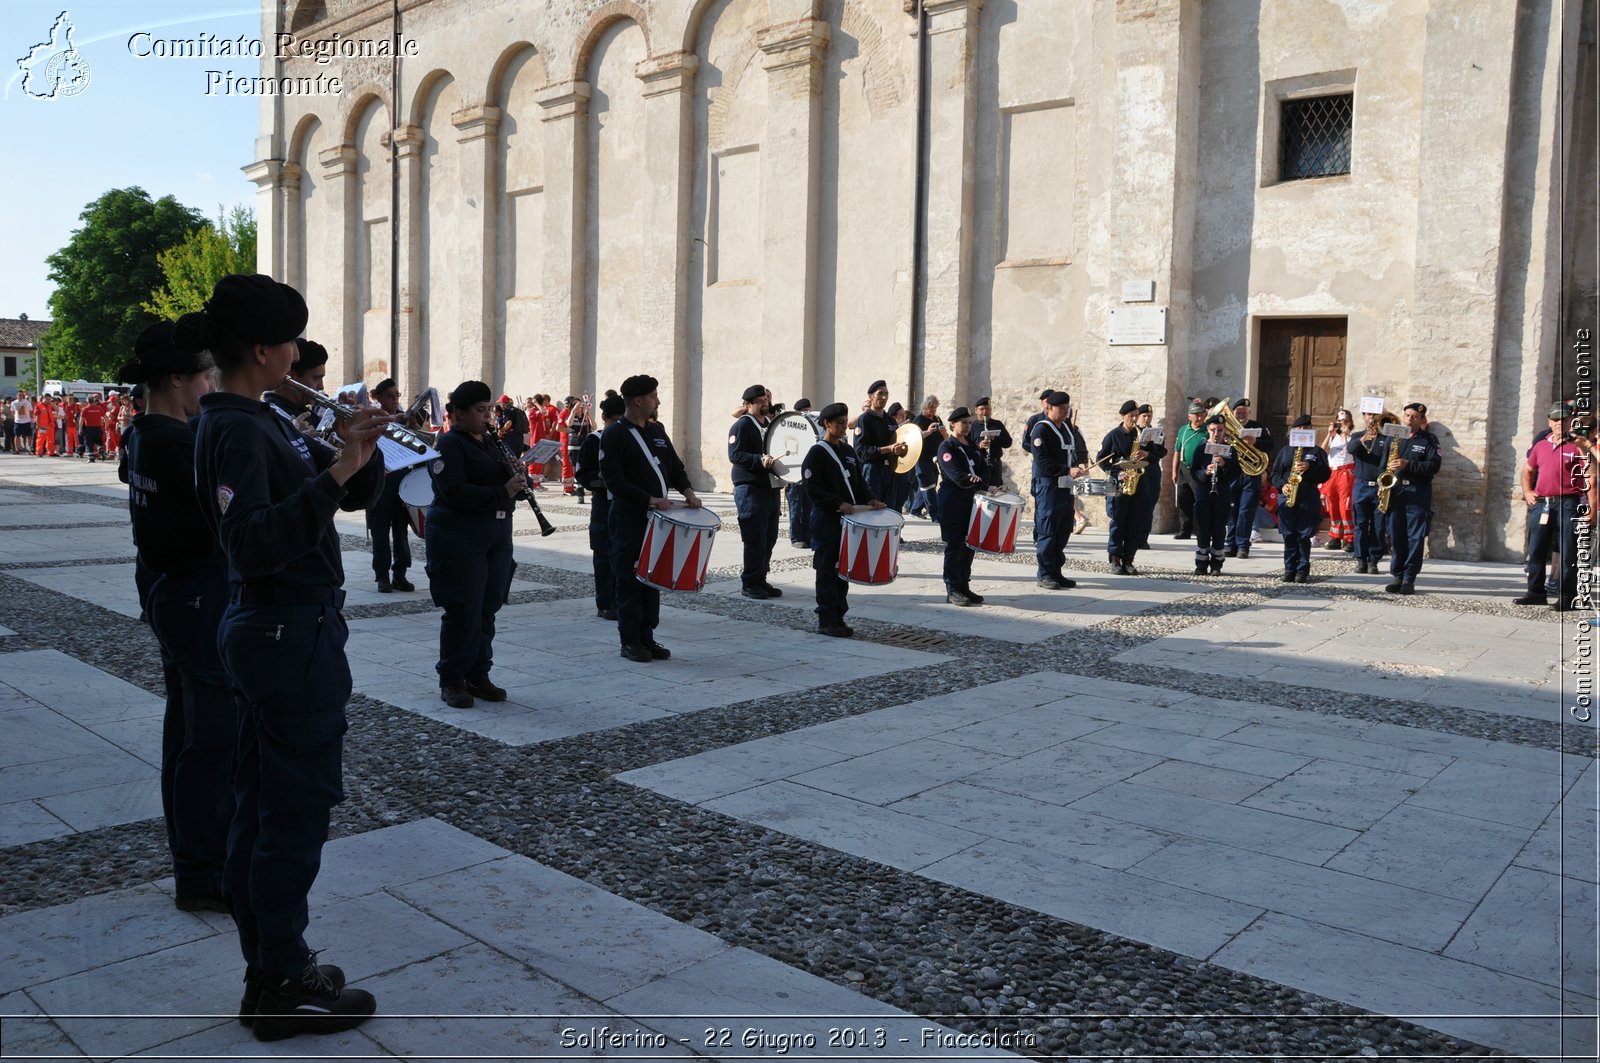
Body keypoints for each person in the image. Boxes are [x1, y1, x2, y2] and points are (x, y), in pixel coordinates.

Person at [189, 273, 384, 1040]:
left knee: (264, 802)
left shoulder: (259, 415)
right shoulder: (237, 427)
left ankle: (272, 964)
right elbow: (255, 542)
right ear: (266, 351)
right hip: (282, 634)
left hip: (284, 632)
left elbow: (328, 503)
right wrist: (338, 467)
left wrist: (353, 453)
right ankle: (279, 977)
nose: (302, 354)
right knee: (290, 813)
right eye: (295, 342)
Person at [117, 321, 234, 914]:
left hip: (167, 592)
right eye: (203, 378)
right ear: (176, 381)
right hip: (194, 596)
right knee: (208, 742)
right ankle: (202, 870)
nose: (209, 387)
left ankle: (196, 862)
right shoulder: (179, 442)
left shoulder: (142, 433)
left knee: (186, 733)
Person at [426, 381, 522, 707]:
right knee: (463, 609)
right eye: (480, 411)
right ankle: (452, 677)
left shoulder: (491, 443)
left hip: (496, 535)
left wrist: (518, 481)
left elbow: (503, 484)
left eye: (489, 409)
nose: (487, 417)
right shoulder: (449, 445)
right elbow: (454, 492)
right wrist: (503, 491)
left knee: (487, 606)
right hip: (460, 536)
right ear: (460, 414)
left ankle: (479, 673)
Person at [600, 374, 702, 662]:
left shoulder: (657, 431)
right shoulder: (614, 435)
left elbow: (675, 467)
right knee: (630, 578)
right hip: (629, 518)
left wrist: (688, 491)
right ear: (638, 400)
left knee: (651, 576)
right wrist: (649, 499)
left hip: (658, 520)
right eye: (655, 396)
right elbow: (613, 480)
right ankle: (630, 640)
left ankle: (647, 635)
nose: (658, 400)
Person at [802, 402, 882, 636]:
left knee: (843, 569)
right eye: (839, 423)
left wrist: (871, 500)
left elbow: (859, 483)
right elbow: (812, 488)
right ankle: (826, 619)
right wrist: (837, 503)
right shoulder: (817, 453)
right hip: (826, 520)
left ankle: (839, 616)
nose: (843, 427)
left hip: (848, 523)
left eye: (845, 422)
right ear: (827, 424)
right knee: (827, 569)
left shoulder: (848, 452)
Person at [1515, 402, 1596, 610]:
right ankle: (1535, 592)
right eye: (1556, 419)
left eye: (1565, 419)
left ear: (1571, 422)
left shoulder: (1577, 446)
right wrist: (1527, 491)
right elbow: (1527, 470)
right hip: (1542, 503)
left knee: (1569, 550)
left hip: (1568, 502)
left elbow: (1591, 477)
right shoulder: (1541, 445)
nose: (1560, 423)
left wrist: (1592, 509)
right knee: (1536, 549)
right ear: (1549, 422)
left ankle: (1567, 596)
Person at [729, 383, 784, 599]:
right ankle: (750, 582)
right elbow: (735, 455)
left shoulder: (770, 423)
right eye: (759, 402)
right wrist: (759, 460)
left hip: (770, 487)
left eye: (765, 401)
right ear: (747, 405)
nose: (764, 404)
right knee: (754, 537)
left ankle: (761, 578)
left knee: (769, 538)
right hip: (750, 487)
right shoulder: (742, 425)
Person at [1098, 400, 1166, 575]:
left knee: (1135, 523)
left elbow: (1156, 456)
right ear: (1123, 416)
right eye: (1131, 416)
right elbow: (1102, 460)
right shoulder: (1113, 436)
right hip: (1120, 484)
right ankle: (1114, 558)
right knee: (1118, 523)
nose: (1135, 419)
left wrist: (1147, 454)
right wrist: (1117, 472)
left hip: (1139, 484)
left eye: (1136, 415)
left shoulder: (1143, 434)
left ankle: (1129, 559)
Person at [1381, 401, 1442, 594]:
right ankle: (1397, 575)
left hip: (1417, 492)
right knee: (1396, 535)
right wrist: (1382, 484)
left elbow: (1434, 466)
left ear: (1422, 420)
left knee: (1415, 537)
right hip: (1396, 492)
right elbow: (1383, 464)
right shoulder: (1394, 438)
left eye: (1415, 416)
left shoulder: (1429, 440)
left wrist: (1408, 464)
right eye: (1407, 415)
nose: (1410, 419)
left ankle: (1409, 578)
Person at [365, 378, 416, 594]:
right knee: (380, 530)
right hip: (380, 481)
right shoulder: (371, 418)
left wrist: (414, 428)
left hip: (401, 481)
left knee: (401, 530)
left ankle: (400, 573)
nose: (395, 399)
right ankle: (382, 576)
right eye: (390, 395)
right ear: (378, 397)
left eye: (397, 395)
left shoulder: (404, 419)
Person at [1029, 391, 1084, 589]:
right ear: (1049, 408)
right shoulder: (1041, 430)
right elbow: (1042, 461)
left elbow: (1074, 450)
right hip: (1048, 485)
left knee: (1063, 529)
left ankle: (1056, 571)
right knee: (1048, 528)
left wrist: (1079, 465)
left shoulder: (1067, 427)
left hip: (1065, 486)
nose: (1065, 413)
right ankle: (1044, 573)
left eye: (1067, 409)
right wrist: (1066, 470)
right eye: (1061, 409)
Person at [1269, 414, 1331, 583]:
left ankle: (1302, 570)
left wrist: (1310, 467)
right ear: (1293, 431)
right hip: (1287, 494)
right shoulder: (1285, 450)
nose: (1303, 431)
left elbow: (1325, 474)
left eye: (1306, 428)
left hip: (1307, 494)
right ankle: (1289, 569)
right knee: (1288, 534)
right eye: (1299, 429)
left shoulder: (1316, 451)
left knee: (1303, 535)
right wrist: (1282, 485)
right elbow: (1275, 473)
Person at [576, 393, 622, 619]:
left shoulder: (631, 437)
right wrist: (604, 478)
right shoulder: (594, 440)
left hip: (626, 504)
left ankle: (623, 599)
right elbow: (583, 475)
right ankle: (605, 603)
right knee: (603, 554)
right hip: (604, 504)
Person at [937, 406, 988, 605]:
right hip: (953, 500)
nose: (967, 426)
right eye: (963, 423)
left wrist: (982, 482)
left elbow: (984, 469)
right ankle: (952, 588)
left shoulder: (972, 446)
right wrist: (978, 482)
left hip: (972, 500)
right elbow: (957, 476)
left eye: (969, 423)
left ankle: (964, 585)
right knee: (954, 545)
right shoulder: (946, 447)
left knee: (969, 545)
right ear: (952, 425)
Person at [1191, 414, 1241, 574]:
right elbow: (1193, 472)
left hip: (1222, 496)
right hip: (1204, 495)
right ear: (1208, 430)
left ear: (1224, 430)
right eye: (1213, 430)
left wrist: (1224, 465)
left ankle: (1216, 565)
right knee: (1203, 528)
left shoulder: (1230, 450)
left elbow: (1236, 473)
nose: (1216, 433)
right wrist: (1206, 472)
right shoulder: (1201, 449)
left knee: (1219, 529)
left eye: (1219, 430)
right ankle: (1201, 563)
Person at [1348, 409, 1396, 573]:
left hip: (1379, 486)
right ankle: (1361, 559)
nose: (1372, 418)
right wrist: (1364, 438)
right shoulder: (1357, 436)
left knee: (1378, 525)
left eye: (1374, 415)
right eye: (1368, 415)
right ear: (1363, 417)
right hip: (1361, 485)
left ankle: (1373, 560)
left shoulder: (1386, 439)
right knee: (1360, 525)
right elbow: (1350, 449)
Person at [1224, 397, 1273, 559]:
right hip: (1233, 474)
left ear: (1249, 413)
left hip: (1251, 475)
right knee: (1232, 510)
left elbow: (1270, 445)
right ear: (1232, 413)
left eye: (1244, 412)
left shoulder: (1258, 426)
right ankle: (1230, 544)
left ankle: (1243, 545)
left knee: (1246, 511)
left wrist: (1255, 442)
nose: (1241, 415)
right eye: (1238, 412)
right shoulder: (1226, 428)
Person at [854, 380, 907, 506]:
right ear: (870, 396)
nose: (884, 397)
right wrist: (887, 449)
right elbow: (860, 451)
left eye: (886, 394)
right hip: (872, 471)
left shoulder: (890, 420)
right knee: (872, 512)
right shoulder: (864, 420)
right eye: (880, 394)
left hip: (890, 470)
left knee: (889, 512)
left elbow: (896, 445)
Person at [1321, 409, 1356, 551]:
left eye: (1345, 421)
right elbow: (1322, 452)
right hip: (1332, 472)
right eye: (1340, 422)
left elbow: (1354, 449)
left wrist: (1346, 433)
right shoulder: (1333, 437)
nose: (1342, 424)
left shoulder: (1353, 437)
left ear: (1350, 422)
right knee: (1332, 505)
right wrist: (1330, 433)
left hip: (1345, 472)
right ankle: (1335, 536)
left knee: (1345, 506)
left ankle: (1350, 538)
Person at [1173, 401, 1207, 539]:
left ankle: (1200, 530)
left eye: (1201, 415)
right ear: (1189, 416)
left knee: (1199, 500)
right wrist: (1174, 471)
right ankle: (1184, 530)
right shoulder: (1183, 430)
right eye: (1196, 415)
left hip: (1198, 469)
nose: (1199, 418)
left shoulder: (1207, 431)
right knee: (1183, 499)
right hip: (1183, 468)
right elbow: (1177, 450)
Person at [909, 395, 946, 520]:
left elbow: (944, 436)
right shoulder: (918, 420)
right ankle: (935, 514)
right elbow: (913, 437)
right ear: (924, 407)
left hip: (934, 457)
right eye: (931, 408)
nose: (933, 411)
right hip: (921, 457)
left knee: (929, 484)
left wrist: (943, 432)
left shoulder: (937, 419)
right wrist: (928, 431)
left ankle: (915, 510)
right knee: (928, 484)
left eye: (935, 408)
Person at [786, 397, 815, 548]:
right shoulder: (790, 429)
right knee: (796, 507)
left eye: (809, 409)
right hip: (795, 474)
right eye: (805, 410)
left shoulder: (811, 429)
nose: (808, 413)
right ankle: (796, 537)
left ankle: (807, 535)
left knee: (808, 506)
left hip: (808, 474)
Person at [970, 397, 1013, 490]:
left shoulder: (997, 424)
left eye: (987, 409)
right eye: (982, 409)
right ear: (976, 411)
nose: (985, 411)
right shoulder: (972, 426)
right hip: (979, 465)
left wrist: (996, 438)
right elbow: (967, 447)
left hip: (995, 465)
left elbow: (1008, 443)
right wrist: (979, 446)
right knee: (981, 491)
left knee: (995, 491)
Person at [1019, 388, 1053, 456]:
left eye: (1052, 402)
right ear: (1042, 403)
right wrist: (1040, 451)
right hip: (1040, 461)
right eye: (1047, 402)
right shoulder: (1034, 420)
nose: (1049, 405)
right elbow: (1025, 443)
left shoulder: (1061, 422)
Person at [80, 393, 107, 461]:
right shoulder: (99, 408)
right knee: (98, 442)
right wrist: (106, 426)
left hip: (89, 428)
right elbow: (106, 418)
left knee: (89, 443)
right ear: (94, 401)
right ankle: (100, 449)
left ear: (88, 401)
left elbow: (81, 420)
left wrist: (80, 429)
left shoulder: (85, 409)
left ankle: (91, 458)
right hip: (98, 428)